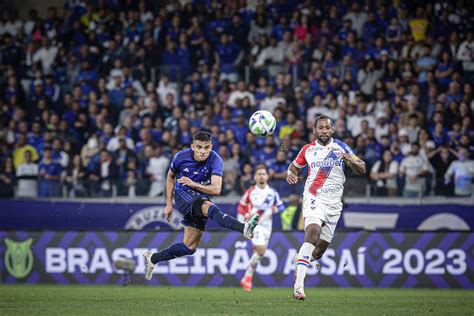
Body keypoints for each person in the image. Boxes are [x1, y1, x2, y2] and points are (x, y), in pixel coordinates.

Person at [143, 131, 260, 280]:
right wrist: (168, 203)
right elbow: (170, 177)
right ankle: (243, 227)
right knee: (208, 207)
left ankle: (153, 258)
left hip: (200, 197)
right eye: (199, 147)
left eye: (206, 147)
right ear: (192, 146)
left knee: (189, 247)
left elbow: (216, 189)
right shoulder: (180, 157)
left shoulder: (216, 160)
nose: (203, 151)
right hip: (182, 195)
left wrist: (194, 184)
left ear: (211, 146)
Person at [286, 115, 366, 300]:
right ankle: (299, 287)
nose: (324, 131)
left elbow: (362, 168)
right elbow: (294, 167)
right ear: (314, 130)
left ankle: (301, 262)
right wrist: (290, 173)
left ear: (332, 130)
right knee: (312, 234)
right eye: (320, 128)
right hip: (314, 198)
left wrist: (351, 161)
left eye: (327, 128)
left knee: (319, 251)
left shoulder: (342, 147)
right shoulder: (307, 149)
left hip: (334, 204)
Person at [237, 165, 284, 291]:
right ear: (255, 177)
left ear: (267, 176)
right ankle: (248, 278)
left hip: (267, 226)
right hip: (255, 225)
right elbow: (240, 207)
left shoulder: (272, 193)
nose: (261, 176)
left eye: (264, 174)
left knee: (259, 254)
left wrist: (276, 209)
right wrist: (244, 218)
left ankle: (246, 276)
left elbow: (281, 206)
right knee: (261, 251)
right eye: (259, 174)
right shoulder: (250, 192)